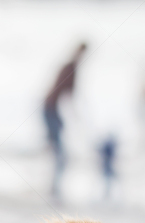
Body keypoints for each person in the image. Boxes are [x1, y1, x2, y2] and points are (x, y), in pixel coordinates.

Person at [43, 43, 87, 199]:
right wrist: (76, 116)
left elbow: (64, 93)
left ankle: (53, 186)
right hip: (51, 110)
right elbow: (68, 95)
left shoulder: (68, 66)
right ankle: (53, 188)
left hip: (51, 109)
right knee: (59, 152)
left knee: (56, 150)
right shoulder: (71, 68)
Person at [99, 135, 118, 199]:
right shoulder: (108, 147)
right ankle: (106, 195)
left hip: (108, 167)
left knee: (109, 181)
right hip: (107, 167)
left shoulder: (108, 147)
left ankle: (108, 195)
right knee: (106, 181)